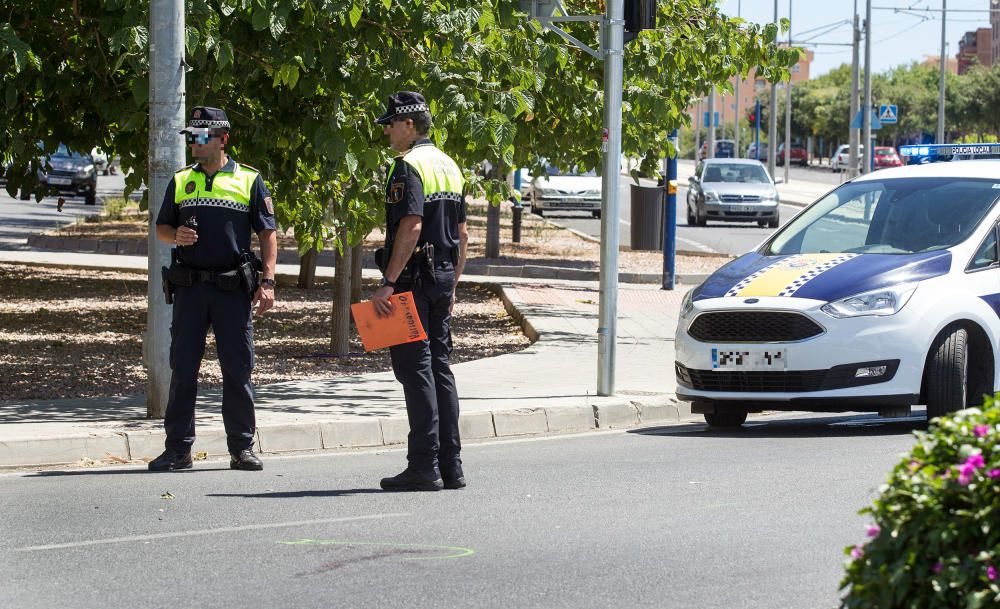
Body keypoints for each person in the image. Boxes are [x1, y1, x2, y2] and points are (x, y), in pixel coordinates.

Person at [148, 106, 277, 472]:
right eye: (191, 136)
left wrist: (267, 281)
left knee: (237, 370)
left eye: (201, 136)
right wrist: (176, 235)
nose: (194, 143)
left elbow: (268, 234)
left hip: (231, 290)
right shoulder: (181, 180)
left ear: (223, 139)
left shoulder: (249, 180)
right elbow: (162, 229)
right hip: (190, 289)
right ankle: (178, 450)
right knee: (183, 370)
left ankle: (242, 448)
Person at [373, 91, 469, 492]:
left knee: (416, 372)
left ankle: (423, 466)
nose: (388, 132)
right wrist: (453, 283)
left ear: (409, 125)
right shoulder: (450, 166)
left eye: (391, 124)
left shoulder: (408, 167)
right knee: (441, 369)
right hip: (442, 277)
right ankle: (452, 466)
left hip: (412, 280)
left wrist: (389, 282)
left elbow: (411, 226)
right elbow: (462, 235)